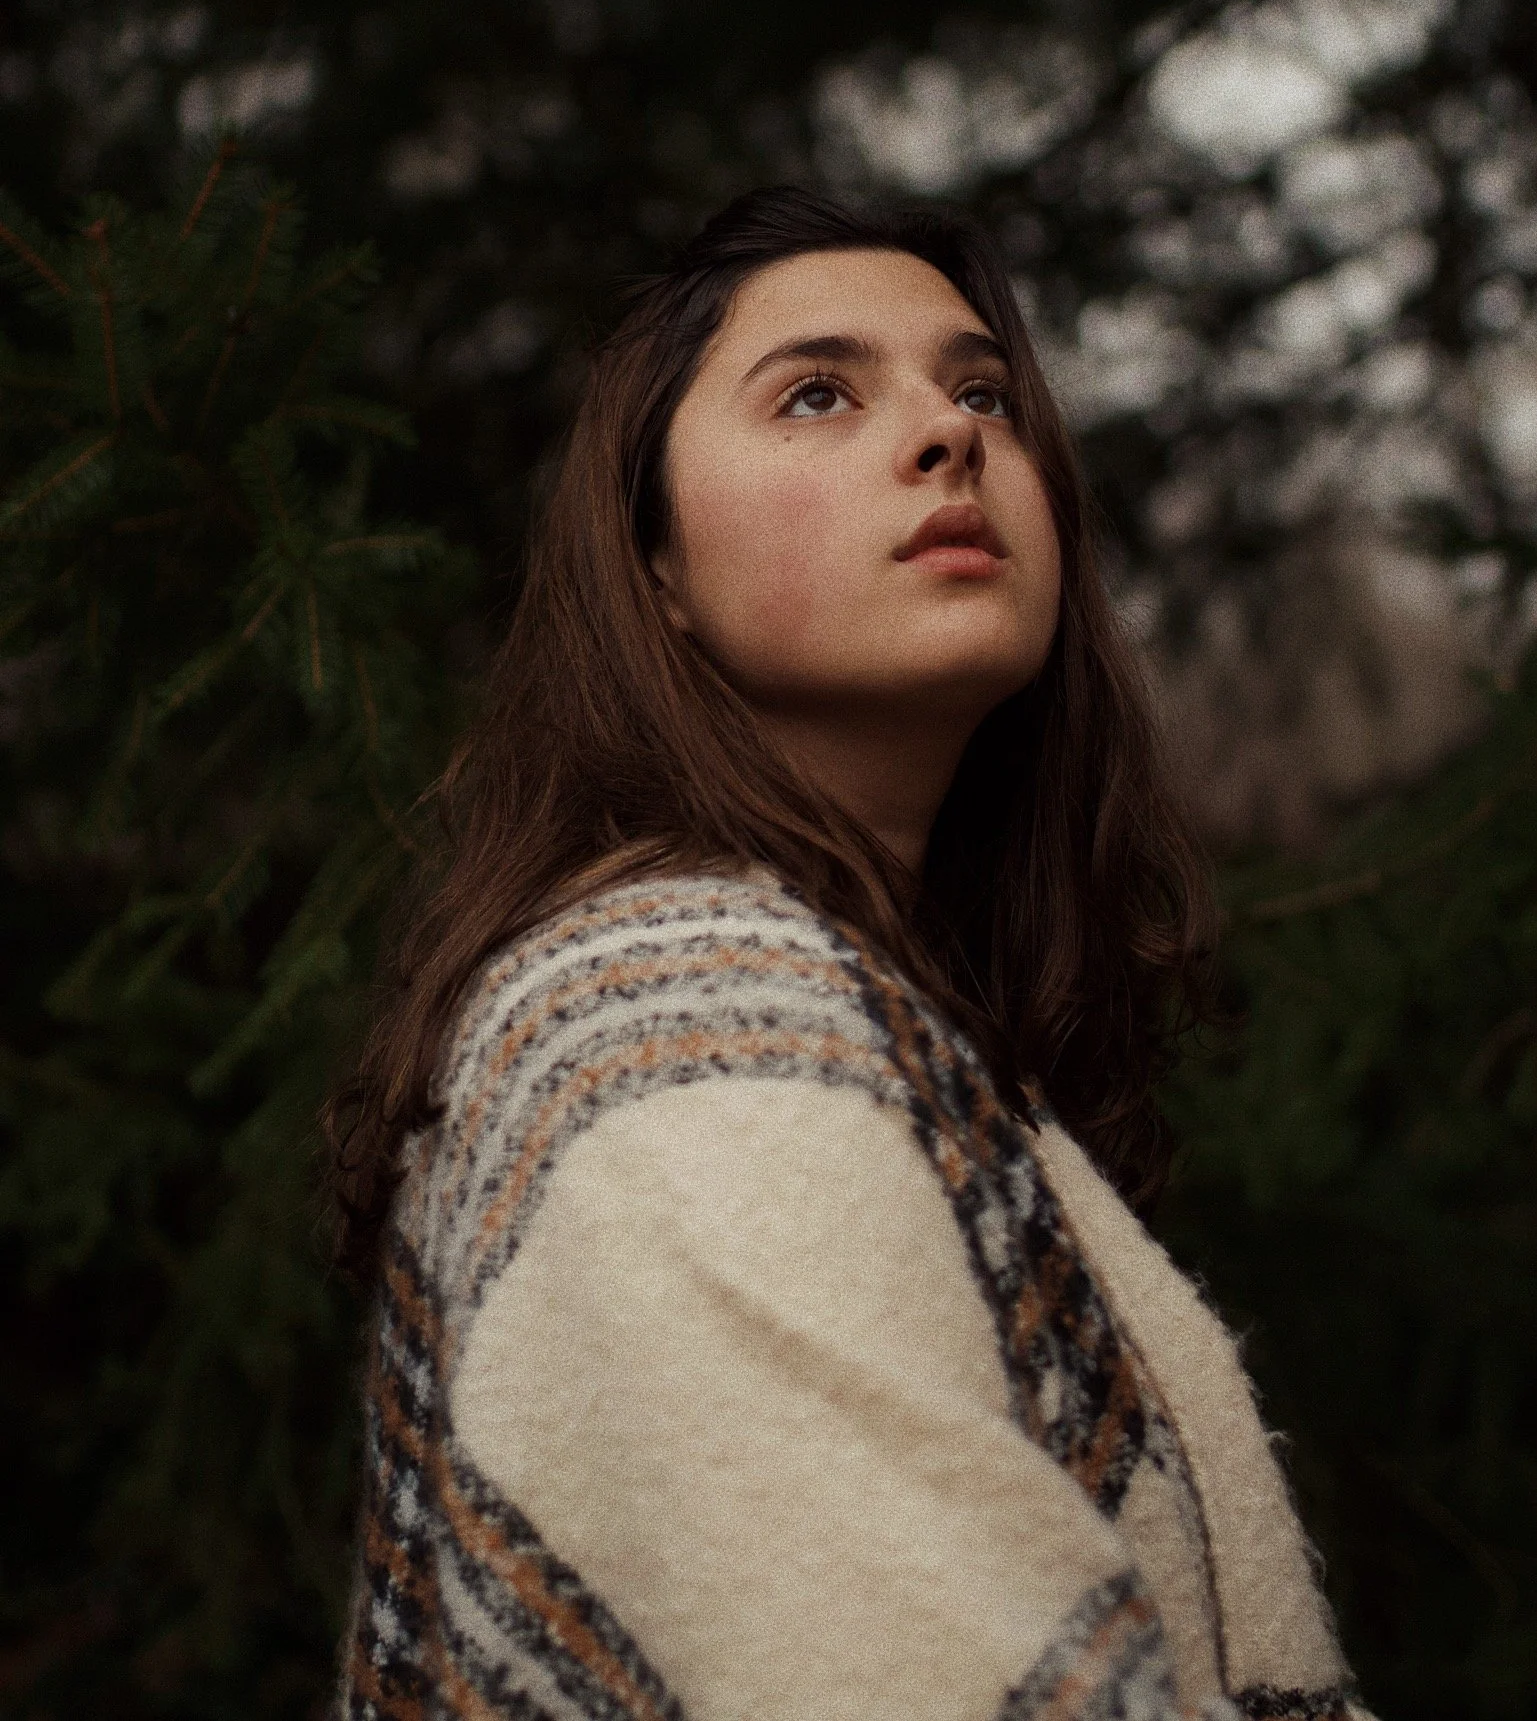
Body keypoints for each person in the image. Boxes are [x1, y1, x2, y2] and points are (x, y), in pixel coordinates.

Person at [329, 188, 1361, 1721]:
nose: (951, 436)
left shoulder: (868, 1016)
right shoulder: (675, 1027)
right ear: (656, 570)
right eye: (818, 392)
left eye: (982, 392)